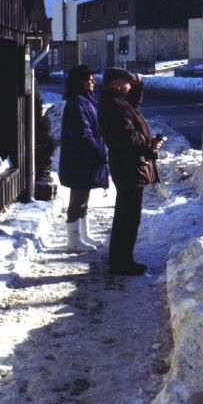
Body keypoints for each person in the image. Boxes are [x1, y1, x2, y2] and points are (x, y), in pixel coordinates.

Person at [97, 67, 165, 275]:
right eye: (127, 82)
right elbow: (127, 138)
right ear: (117, 84)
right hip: (128, 166)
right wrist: (150, 144)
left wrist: (137, 88)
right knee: (127, 218)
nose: (129, 85)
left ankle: (122, 259)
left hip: (128, 166)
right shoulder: (114, 106)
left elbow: (132, 109)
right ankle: (121, 263)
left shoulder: (116, 102)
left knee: (127, 216)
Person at [58, 64, 109, 251]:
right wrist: (98, 153)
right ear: (81, 83)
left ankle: (83, 234)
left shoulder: (85, 101)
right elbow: (83, 134)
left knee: (83, 197)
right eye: (90, 80)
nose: (94, 83)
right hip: (80, 160)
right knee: (78, 197)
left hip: (85, 159)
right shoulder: (78, 103)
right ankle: (73, 239)